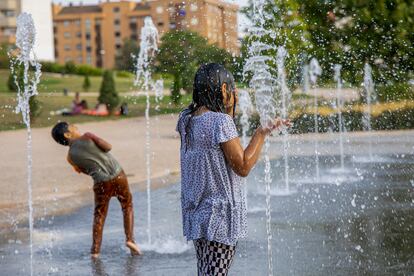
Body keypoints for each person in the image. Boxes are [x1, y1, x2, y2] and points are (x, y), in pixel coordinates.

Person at [176, 63, 290, 276]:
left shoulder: (186, 119)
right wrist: (260, 134)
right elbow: (243, 166)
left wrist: (229, 109)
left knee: (206, 272)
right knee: (217, 273)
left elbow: (216, 137)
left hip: (197, 213)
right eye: (232, 89)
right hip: (219, 216)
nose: (235, 93)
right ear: (222, 90)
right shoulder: (220, 122)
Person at [51, 122, 142, 258]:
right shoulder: (88, 136)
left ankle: (95, 251)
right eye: (72, 126)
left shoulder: (70, 158)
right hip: (118, 175)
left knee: (99, 215)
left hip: (100, 183)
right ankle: (130, 240)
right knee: (127, 205)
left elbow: (85, 170)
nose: (76, 126)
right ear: (68, 134)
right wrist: (94, 139)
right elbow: (108, 147)